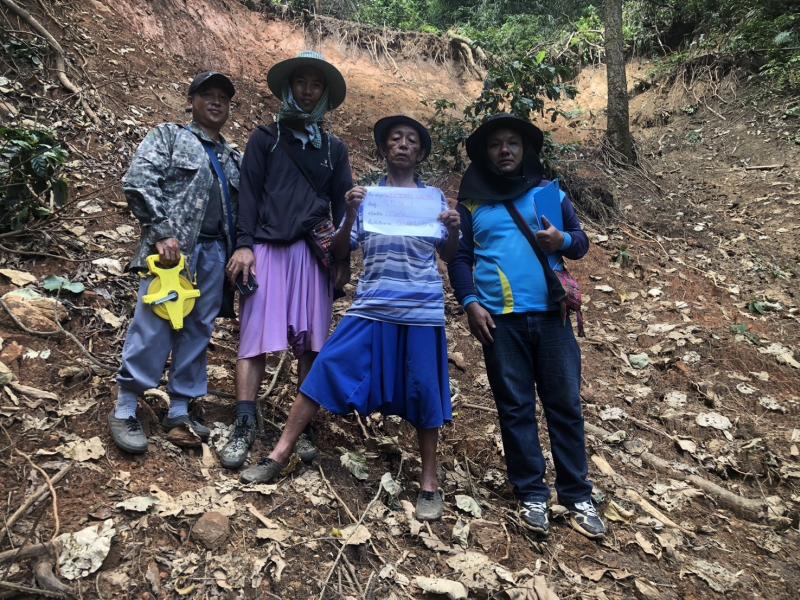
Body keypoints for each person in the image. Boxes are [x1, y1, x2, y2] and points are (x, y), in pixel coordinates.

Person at [238, 115, 460, 521]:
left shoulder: (434, 200)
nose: (403, 145)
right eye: (395, 139)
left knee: (426, 391)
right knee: (325, 368)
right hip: (372, 305)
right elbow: (340, 251)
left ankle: (429, 482)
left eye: (412, 140)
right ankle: (279, 454)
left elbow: (448, 254)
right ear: (384, 149)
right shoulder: (368, 197)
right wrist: (351, 213)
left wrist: (455, 229)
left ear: (421, 153)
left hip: (422, 310)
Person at [447, 114, 605, 539]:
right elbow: (459, 258)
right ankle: (532, 492)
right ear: (485, 153)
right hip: (500, 322)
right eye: (495, 144)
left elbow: (580, 242)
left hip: (553, 317)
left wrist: (562, 241)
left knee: (565, 406)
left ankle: (576, 493)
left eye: (512, 143)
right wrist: (470, 303)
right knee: (515, 407)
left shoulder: (548, 193)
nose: (504, 150)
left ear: (525, 150)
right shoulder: (472, 203)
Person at [220, 51, 353, 470]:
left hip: (313, 254)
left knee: (312, 344)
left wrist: (344, 259)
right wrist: (244, 244)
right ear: (288, 88)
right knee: (253, 339)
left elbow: (343, 206)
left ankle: (304, 429)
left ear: (324, 93)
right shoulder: (266, 138)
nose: (308, 91)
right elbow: (249, 195)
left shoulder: (333, 149)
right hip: (267, 247)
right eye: (301, 83)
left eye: (316, 85)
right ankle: (244, 424)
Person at [109, 72, 240, 454]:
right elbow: (138, 180)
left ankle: (180, 408)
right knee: (155, 322)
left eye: (223, 97)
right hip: (172, 253)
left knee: (199, 327)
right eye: (207, 94)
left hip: (215, 254)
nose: (216, 102)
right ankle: (126, 406)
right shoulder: (169, 136)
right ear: (191, 101)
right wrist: (161, 232)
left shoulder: (233, 157)